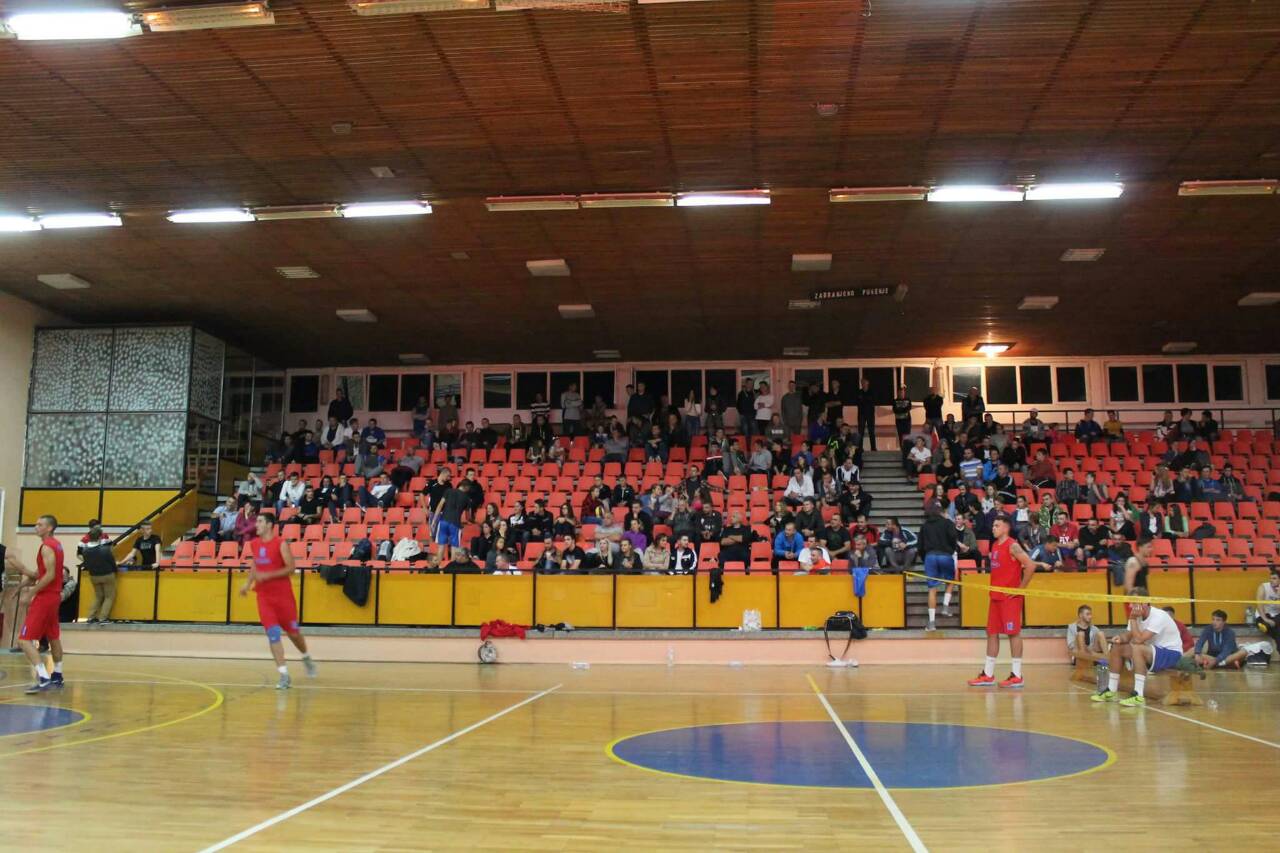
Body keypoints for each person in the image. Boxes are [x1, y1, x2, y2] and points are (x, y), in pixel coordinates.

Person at [240, 514, 316, 689]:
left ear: (269, 525)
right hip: (264, 597)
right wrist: (248, 583)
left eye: (260, 521)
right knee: (273, 633)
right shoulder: (254, 544)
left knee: (294, 633)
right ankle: (284, 675)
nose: (256, 524)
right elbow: (255, 564)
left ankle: (306, 656)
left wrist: (268, 575)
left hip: (283, 597)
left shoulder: (280, 543)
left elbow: (291, 568)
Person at [968, 513, 1041, 689]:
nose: (993, 528)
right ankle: (988, 674)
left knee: (1013, 633)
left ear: (1006, 528)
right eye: (993, 525)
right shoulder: (994, 545)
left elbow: (1030, 565)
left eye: (997, 525)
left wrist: (1020, 589)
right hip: (995, 596)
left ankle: (1017, 675)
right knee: (991, 633)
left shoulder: (1013, 545)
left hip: (1009, 598)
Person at [1091, 587, 1184, 707]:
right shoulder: (1136, 616)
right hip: (1152, 652)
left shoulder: (1159, 616)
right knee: (1117, 647)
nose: (1130, 606)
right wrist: (1120, 638)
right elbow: (1129, 635)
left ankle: (1138, 695)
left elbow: (1139, 639)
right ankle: (1111, 691)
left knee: (1137, 647)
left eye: (1134, 602)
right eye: (1130, 602)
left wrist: (1132, 619)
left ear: (1144, 602)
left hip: (1171, 654)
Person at [16, 515, 66, 693]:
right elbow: (40, 573)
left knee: (23, 640)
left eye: (40, 524)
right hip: (53, 597)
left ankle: (43, 677)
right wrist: (21, 585)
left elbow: (50, 575)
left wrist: (30, 593)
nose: (36, 527)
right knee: (53, 637)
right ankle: (57, 675)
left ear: (49, 528)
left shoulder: (47, 547)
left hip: (45, 598)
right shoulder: (56, 545)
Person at [918, 508, 958, 631]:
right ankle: (945, 606)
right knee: (950, 581)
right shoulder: (947, 523)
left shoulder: (925, 525)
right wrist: (951, 551)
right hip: (945, 555)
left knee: (932, 589)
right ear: (941, 512)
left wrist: (925, 557)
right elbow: (953, 538)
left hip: (930, 556)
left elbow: (920, 545)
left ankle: (931, 623)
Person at [81, 520, 118, 624]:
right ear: (99, 537)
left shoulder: (85, 551)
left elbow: (86, 563)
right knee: (109, 596)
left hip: (94, 576)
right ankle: (103, 618)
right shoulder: (105, 550)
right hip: (107, 574)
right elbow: (111, 562)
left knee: (98, 596)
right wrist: (115, 570)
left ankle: (90, 617)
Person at [431, 479, 472, 562]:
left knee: (441, 546)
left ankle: (437, 566)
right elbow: (468, 517)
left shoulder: (448, 491)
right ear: (467, 487)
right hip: (455, 524)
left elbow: (440, 505)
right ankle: (452, 568)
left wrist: (434, 520)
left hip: (443, 521)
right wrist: (473, 521)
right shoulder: (467, 498)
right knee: (454, 547)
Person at [1255, 568, 1280, 644]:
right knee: (1277, 632)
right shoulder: (1263, 587)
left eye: (1274, 578)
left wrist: (1279, 595)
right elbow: (1259, 605)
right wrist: (1265, 619)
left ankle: (1266, 625)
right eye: (1270, 578)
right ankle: (1265, 624)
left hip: (1277, 615)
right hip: (1264, 614)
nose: (1271, 580)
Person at [853, 377, 877, 450]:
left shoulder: (872, 392)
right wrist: (865, 401)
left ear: (868, 383)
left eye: (864, 382)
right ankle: (860, 448)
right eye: (861, 382)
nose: (863, 384)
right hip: (861, 414)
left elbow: (873, 401)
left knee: (871, 431)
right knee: (861, 432)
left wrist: (864, 400)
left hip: (870, 414)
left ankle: (873, 448)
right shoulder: (859, 392)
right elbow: (857, 402)